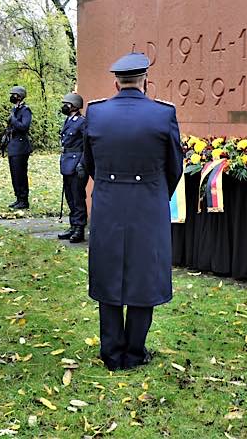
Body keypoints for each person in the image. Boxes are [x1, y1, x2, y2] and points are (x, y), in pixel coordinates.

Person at [81, 51, 183, 371]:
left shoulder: (95, 113)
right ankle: (134, 351)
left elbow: (89, 164)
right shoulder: (163, 114)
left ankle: (112, 351)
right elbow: (175, 167)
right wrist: (153, 193)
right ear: (145, 81)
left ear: (116, 82)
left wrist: (112, 186)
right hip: (148, 205)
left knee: (109, 272)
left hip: (108, 203)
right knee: (143, 275)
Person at [57, 93, 88, 243]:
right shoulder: (68, 120)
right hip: (67, 163)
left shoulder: (82, 122)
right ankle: (73, 225)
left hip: (76, 165)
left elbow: (87, 145)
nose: (64, 106)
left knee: (78, 197)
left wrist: (82, 164)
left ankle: (79, 229)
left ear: (75, 105)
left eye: (67, 104)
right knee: (70, 196)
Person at [5, 86, 32, 209]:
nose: (12, 97)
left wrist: (13, 120)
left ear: (20, 96)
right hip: (13, 146)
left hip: (21, 147)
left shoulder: (25, 110)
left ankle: (24, 200)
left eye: (14, 95)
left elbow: (24, 126)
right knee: (14, 174)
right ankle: (18, 198)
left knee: (20, 174)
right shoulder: (14, 109)